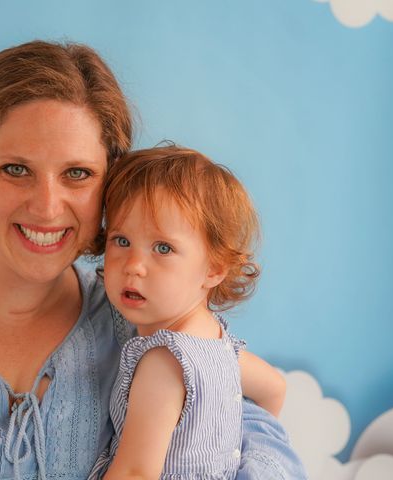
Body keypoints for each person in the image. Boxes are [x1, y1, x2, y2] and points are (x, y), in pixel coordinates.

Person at [0, 41, 306, 479]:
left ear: (110, 184)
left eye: (77, 173)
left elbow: (257, 441)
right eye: (16, 170)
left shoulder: (146, 324)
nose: (48, 207)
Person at [87, 146, 287, 479]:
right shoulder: (219, 345)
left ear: (214, 268)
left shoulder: (163, 363)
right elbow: (275, 387)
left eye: (163, 248)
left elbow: (136, 472)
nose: (134, 266)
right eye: (121, 240)